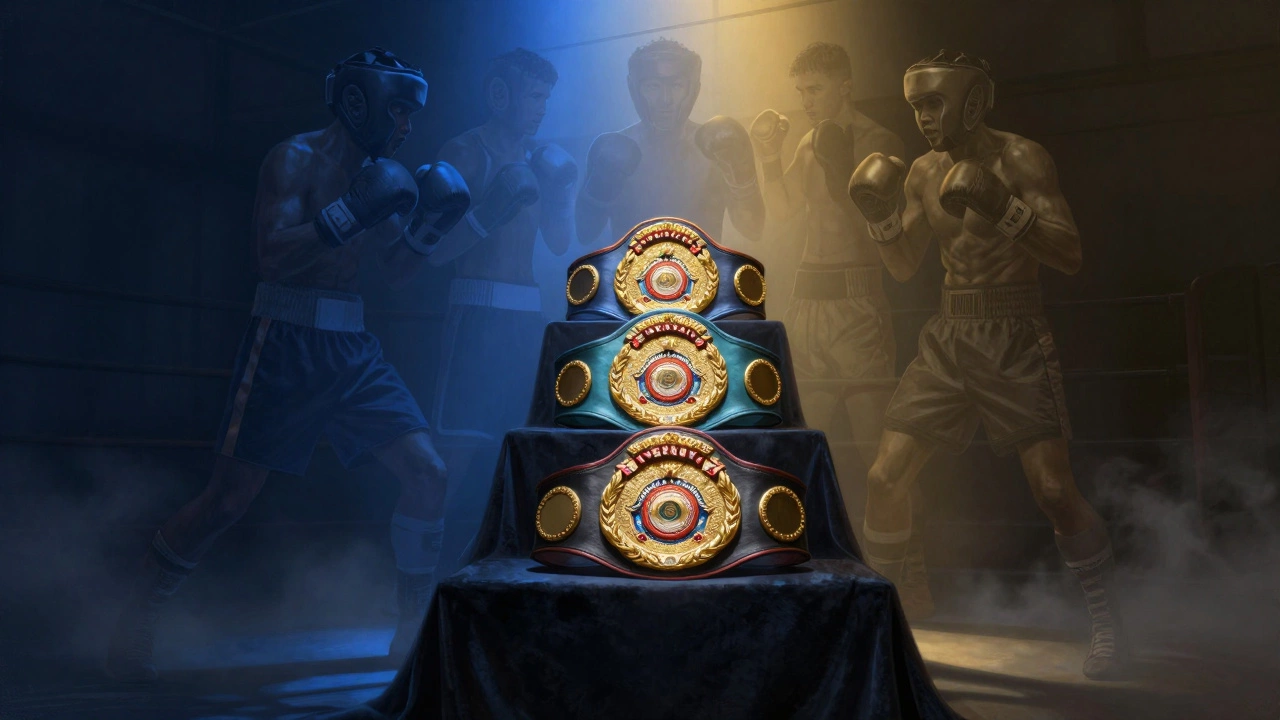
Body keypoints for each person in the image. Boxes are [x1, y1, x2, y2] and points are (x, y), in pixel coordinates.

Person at [105, 48, 471, 680]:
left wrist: (430, 228)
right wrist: (351, 212)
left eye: (413, 114)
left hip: (354, 347)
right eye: (400, 109)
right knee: (226, 502)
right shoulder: (294, 158)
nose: (408, 126)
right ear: (362, 101)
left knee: (428, 473)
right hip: (286, 336)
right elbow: (270, 257)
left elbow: (398, 271)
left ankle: (411, 628)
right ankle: (136, 616)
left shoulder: (385, 172)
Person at [848, 50, 1125, 679]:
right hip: (948, 332)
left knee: (1054, 490)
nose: (921, 118)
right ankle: (881, 626)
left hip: (1014, 330)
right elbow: (900, 267)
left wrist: (1004, 208)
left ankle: (1109, 623)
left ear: (972, 101)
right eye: (915, 104)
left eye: (932, 103)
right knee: (887, 477)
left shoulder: (1021, 158)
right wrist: (881, 216)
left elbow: (1071, 254)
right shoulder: (921, 170)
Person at [749, 42, 933, 618]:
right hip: (808, 300)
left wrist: (836, 162)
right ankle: (795, 574)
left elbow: (877, 222)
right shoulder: (806, 139)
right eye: (800, 91)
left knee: (881, 454)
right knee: (803, 443)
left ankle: (911, 579)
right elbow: (781, 213)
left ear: (845, 86)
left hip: (857, 304)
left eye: (817, 90)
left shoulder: (880, 141)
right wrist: (769, 155)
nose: (806, 101)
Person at [426, 48, 576, 574]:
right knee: (451, 463)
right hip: (476, 318)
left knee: (532, 456)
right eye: (533, 96)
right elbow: (432, 251)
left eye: (545, 98)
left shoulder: (541, 159)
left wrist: (561, 195)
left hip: (525, 323)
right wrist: (489, 212)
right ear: (499, 95)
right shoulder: (465, 154)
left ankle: (518, 585)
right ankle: (418, 599)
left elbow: (560, 244)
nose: (541, 108)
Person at [575, 38, 764, 247]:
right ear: (633, 88)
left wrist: (742, 173)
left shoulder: (718, 148)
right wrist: (599, 188)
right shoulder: (610, 150)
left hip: (706, 276)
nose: (666, 99)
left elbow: (753, 229)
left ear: (694, 89)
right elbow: (585, 233)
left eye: (676, 86)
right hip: (628, 277)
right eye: (653, 87)